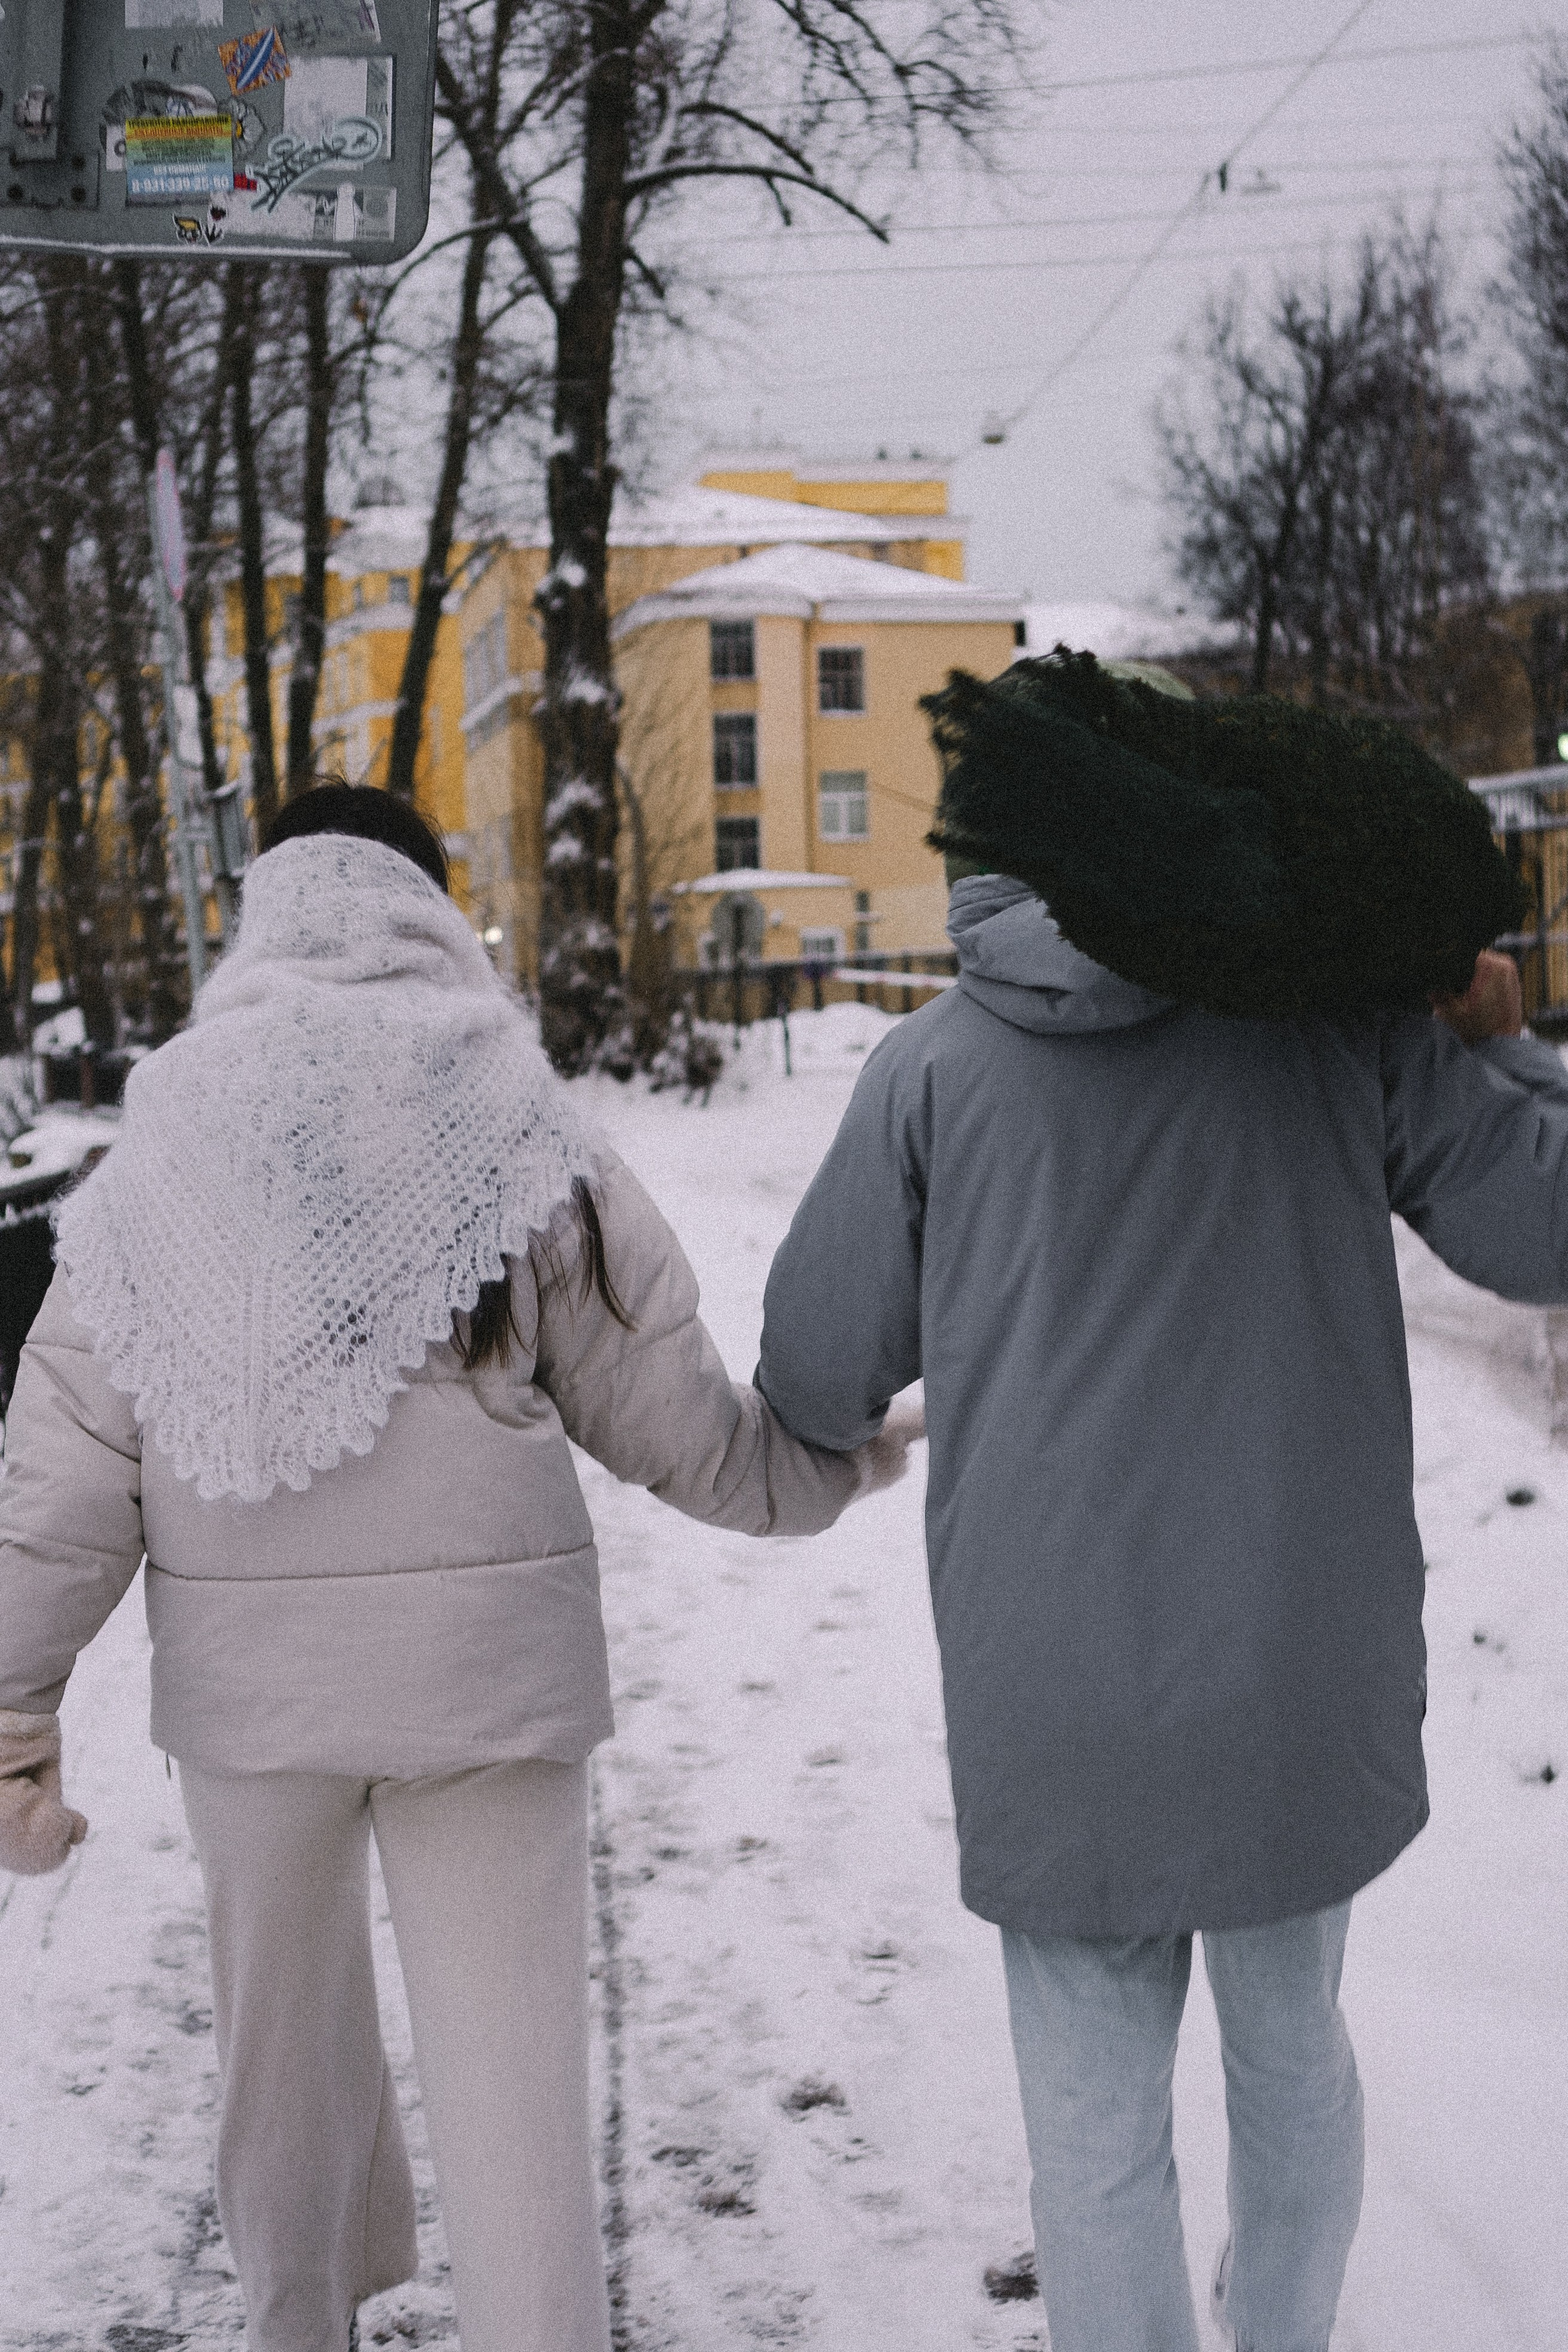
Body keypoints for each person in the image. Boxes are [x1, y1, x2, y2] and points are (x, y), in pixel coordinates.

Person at [0, 783, 915, 2352]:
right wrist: (819, 1466)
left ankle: (299, 2325)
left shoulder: (164, 1138)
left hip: (254, 1710)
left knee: (280, 2073)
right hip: (492, 1693)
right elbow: (670, 1415)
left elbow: (62, 1478)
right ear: (428, 910)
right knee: (515, 2102)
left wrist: (15, 1716)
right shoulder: (515, 1119)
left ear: (265, 915)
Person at [755, 652, 1568, 2352]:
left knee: (1092, 2126)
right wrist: (1506, 1047)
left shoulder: (929, 1073)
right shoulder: (1334, 1028)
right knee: (1293, 2064)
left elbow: (817, 1374)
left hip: (1056, 1690)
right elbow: (1541, 1225)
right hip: (1295, 1666)